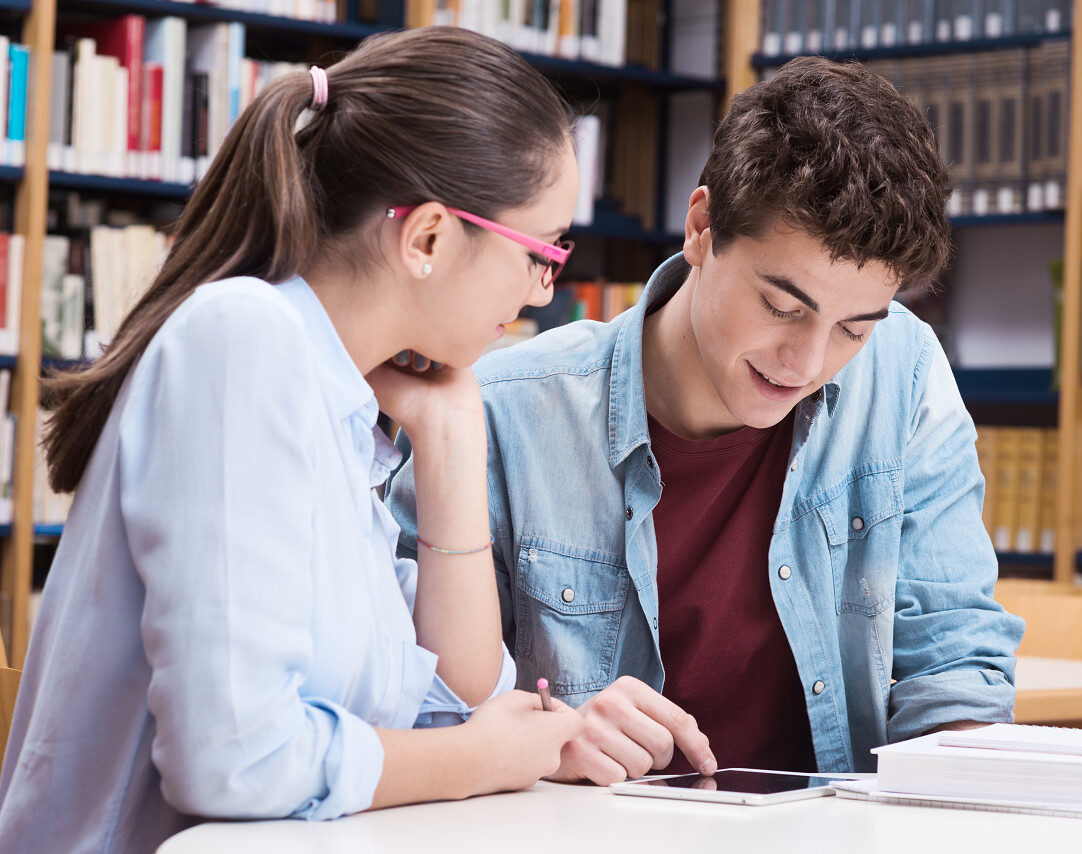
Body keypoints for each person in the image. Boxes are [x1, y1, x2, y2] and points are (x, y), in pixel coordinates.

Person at [0, 27, 585, 853]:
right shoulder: (244, 341)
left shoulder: (339, 402)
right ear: (427, 238)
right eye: (543, 253)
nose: (543, 291)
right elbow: (237, 761)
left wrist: (452, 442)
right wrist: (480, 759)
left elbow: (462, 704)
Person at [386, 55, 1025, 783]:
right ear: (701, 228)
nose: (807, 362)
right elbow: (412, 705)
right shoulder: (503, 413)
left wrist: (959, 786)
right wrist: (549, 739)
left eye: (853, 328)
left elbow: (953, 656)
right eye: (782, 306)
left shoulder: (903, 372)